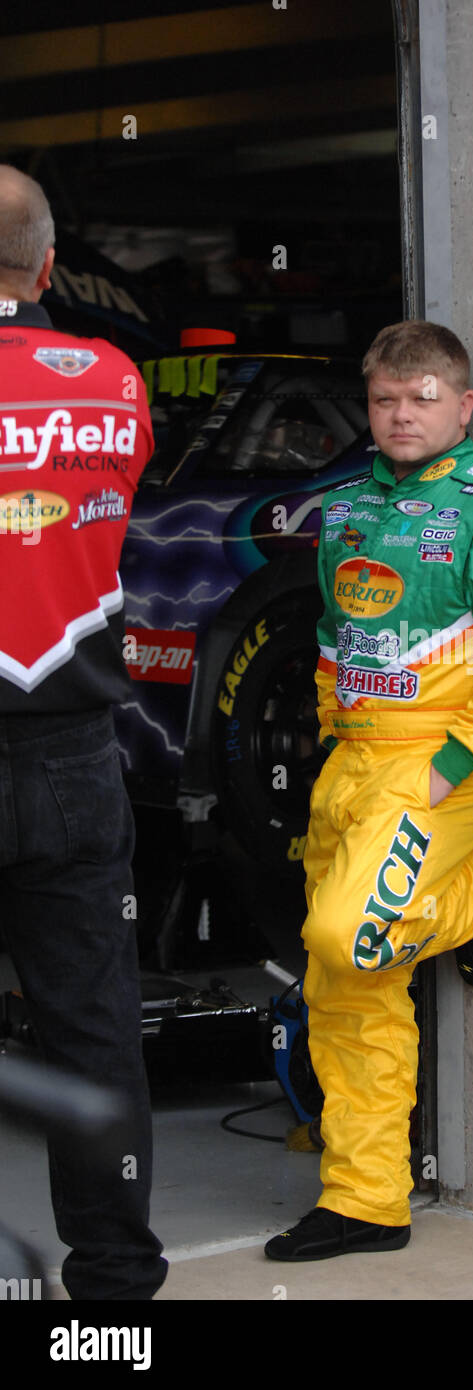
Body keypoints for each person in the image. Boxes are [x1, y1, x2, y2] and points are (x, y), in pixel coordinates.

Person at [265, 320, 473, 1261]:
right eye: (385, 400)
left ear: (461, 405)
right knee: (346, 985)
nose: (401, 415)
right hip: (351, 764)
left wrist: (452, 766)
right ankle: (365, 1201)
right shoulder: (346, 507)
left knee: (344, 933)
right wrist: (328, 744)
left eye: (421, 398)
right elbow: (329, 641)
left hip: (438, 766)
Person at [0, 165, 167, 1299]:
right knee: (92, 1026)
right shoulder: (115, 378)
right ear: (51, 265)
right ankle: (111, 1290)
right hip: (71, 751)